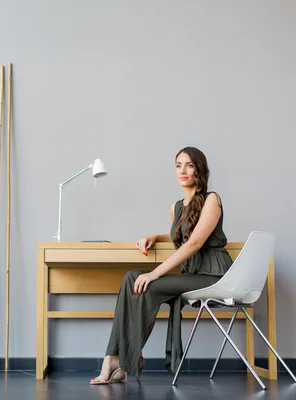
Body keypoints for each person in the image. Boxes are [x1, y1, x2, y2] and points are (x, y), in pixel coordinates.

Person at [90, 146, 233, 385]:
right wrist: (155, 236)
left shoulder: (212, 199)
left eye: (189, 165)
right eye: (178, 165)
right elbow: (181, 236)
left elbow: (195, 242)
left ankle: (127, 359)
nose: (183, 171)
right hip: (193, 274)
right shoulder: (176, 208)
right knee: (131, 278)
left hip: (214, 275)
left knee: (148, 284)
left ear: (200, 169)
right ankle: (113, 357)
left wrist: (155, 273)